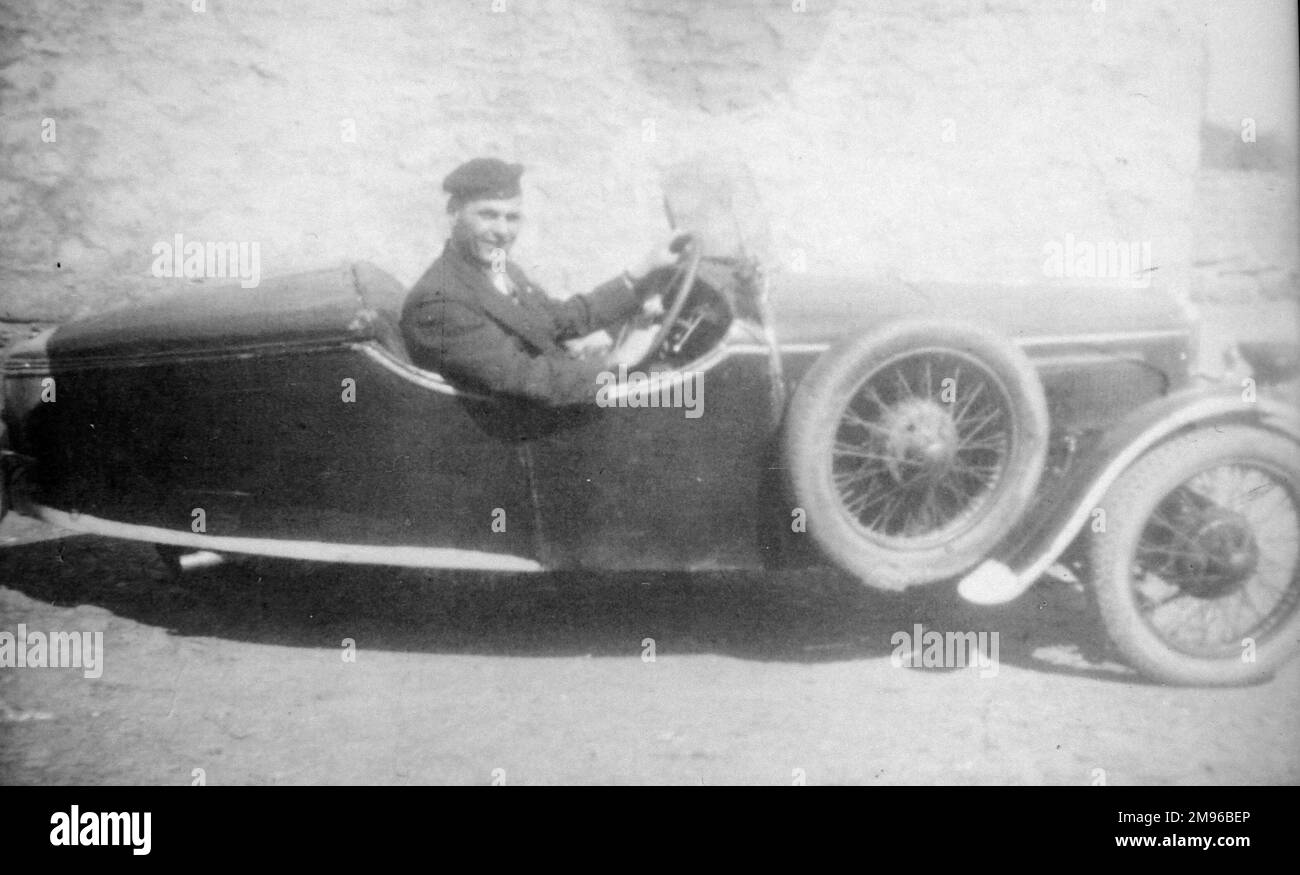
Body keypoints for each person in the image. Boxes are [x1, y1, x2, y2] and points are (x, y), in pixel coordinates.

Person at [400, 157, 689, 405]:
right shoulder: (439, 301)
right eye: (488, 215)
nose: (502, 231)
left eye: (512, 218)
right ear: (454, 214)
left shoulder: (497, 268)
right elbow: (525, 378)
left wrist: (641, 272)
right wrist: (616, 362)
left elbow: (559, 319)